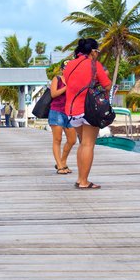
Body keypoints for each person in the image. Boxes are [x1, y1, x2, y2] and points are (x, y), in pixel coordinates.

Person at [62, 38, 111, 189]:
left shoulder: (69, 65)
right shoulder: (94, 65)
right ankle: (84, 181)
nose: (98, 55)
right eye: (97, 51)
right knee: (88, 144)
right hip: (89, 109)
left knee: (83, 144)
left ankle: (79, 178)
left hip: (71, 109)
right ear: (92, 51)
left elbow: (69, 83)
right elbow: (107, 84)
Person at [47, 72, 76, 174]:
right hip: (56, 111)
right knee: (57, 139)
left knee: (72, 140)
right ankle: (59, 166)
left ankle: (63, 161)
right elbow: (53, 94)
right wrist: (66, 88)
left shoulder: (74, 80)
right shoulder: (57, 79)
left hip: (69, 112)